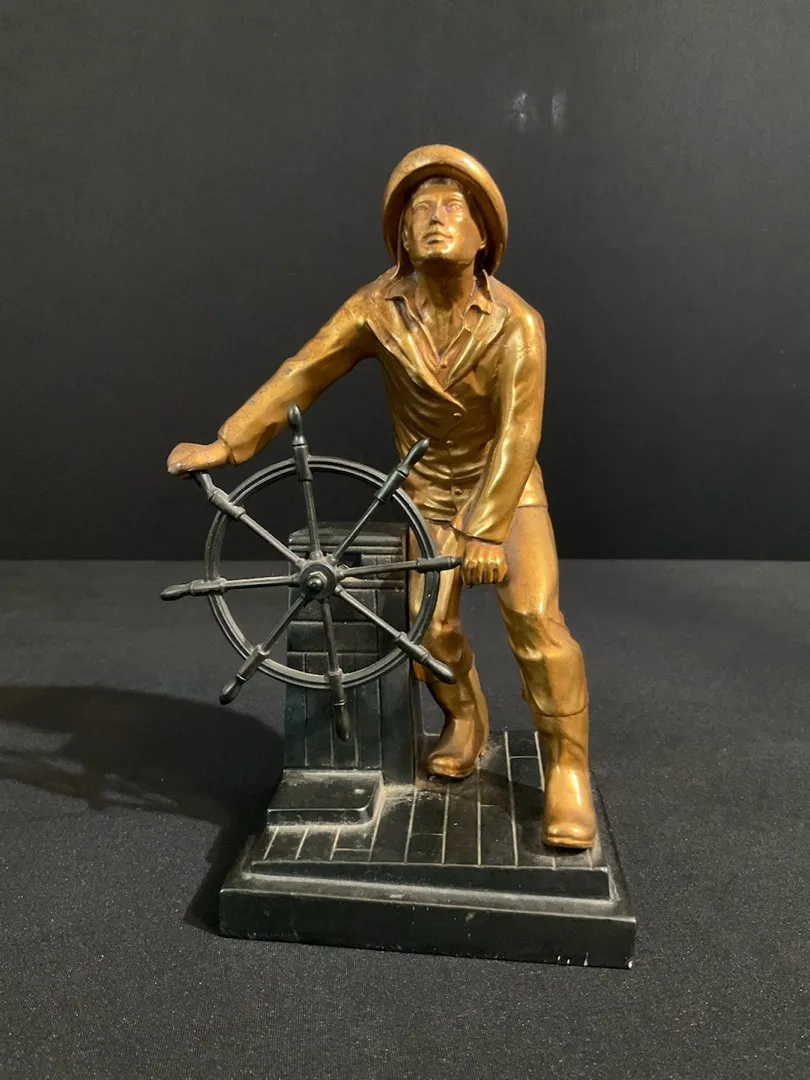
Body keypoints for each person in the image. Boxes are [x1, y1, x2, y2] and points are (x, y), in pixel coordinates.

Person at [167, 145, 596, 849]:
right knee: (424, 630)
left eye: (452, 208)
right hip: (424, 493)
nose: (435, 219)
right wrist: (228, 443)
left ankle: (568, 770)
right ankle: (466, 718)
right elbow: (303, 372)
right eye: (419, 211)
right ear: (401, 236)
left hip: (506, 492)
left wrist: (486, 530)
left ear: (483, 236)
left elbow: (521, 432)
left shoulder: (518, 322)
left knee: (536, 621)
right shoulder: (375, 310)